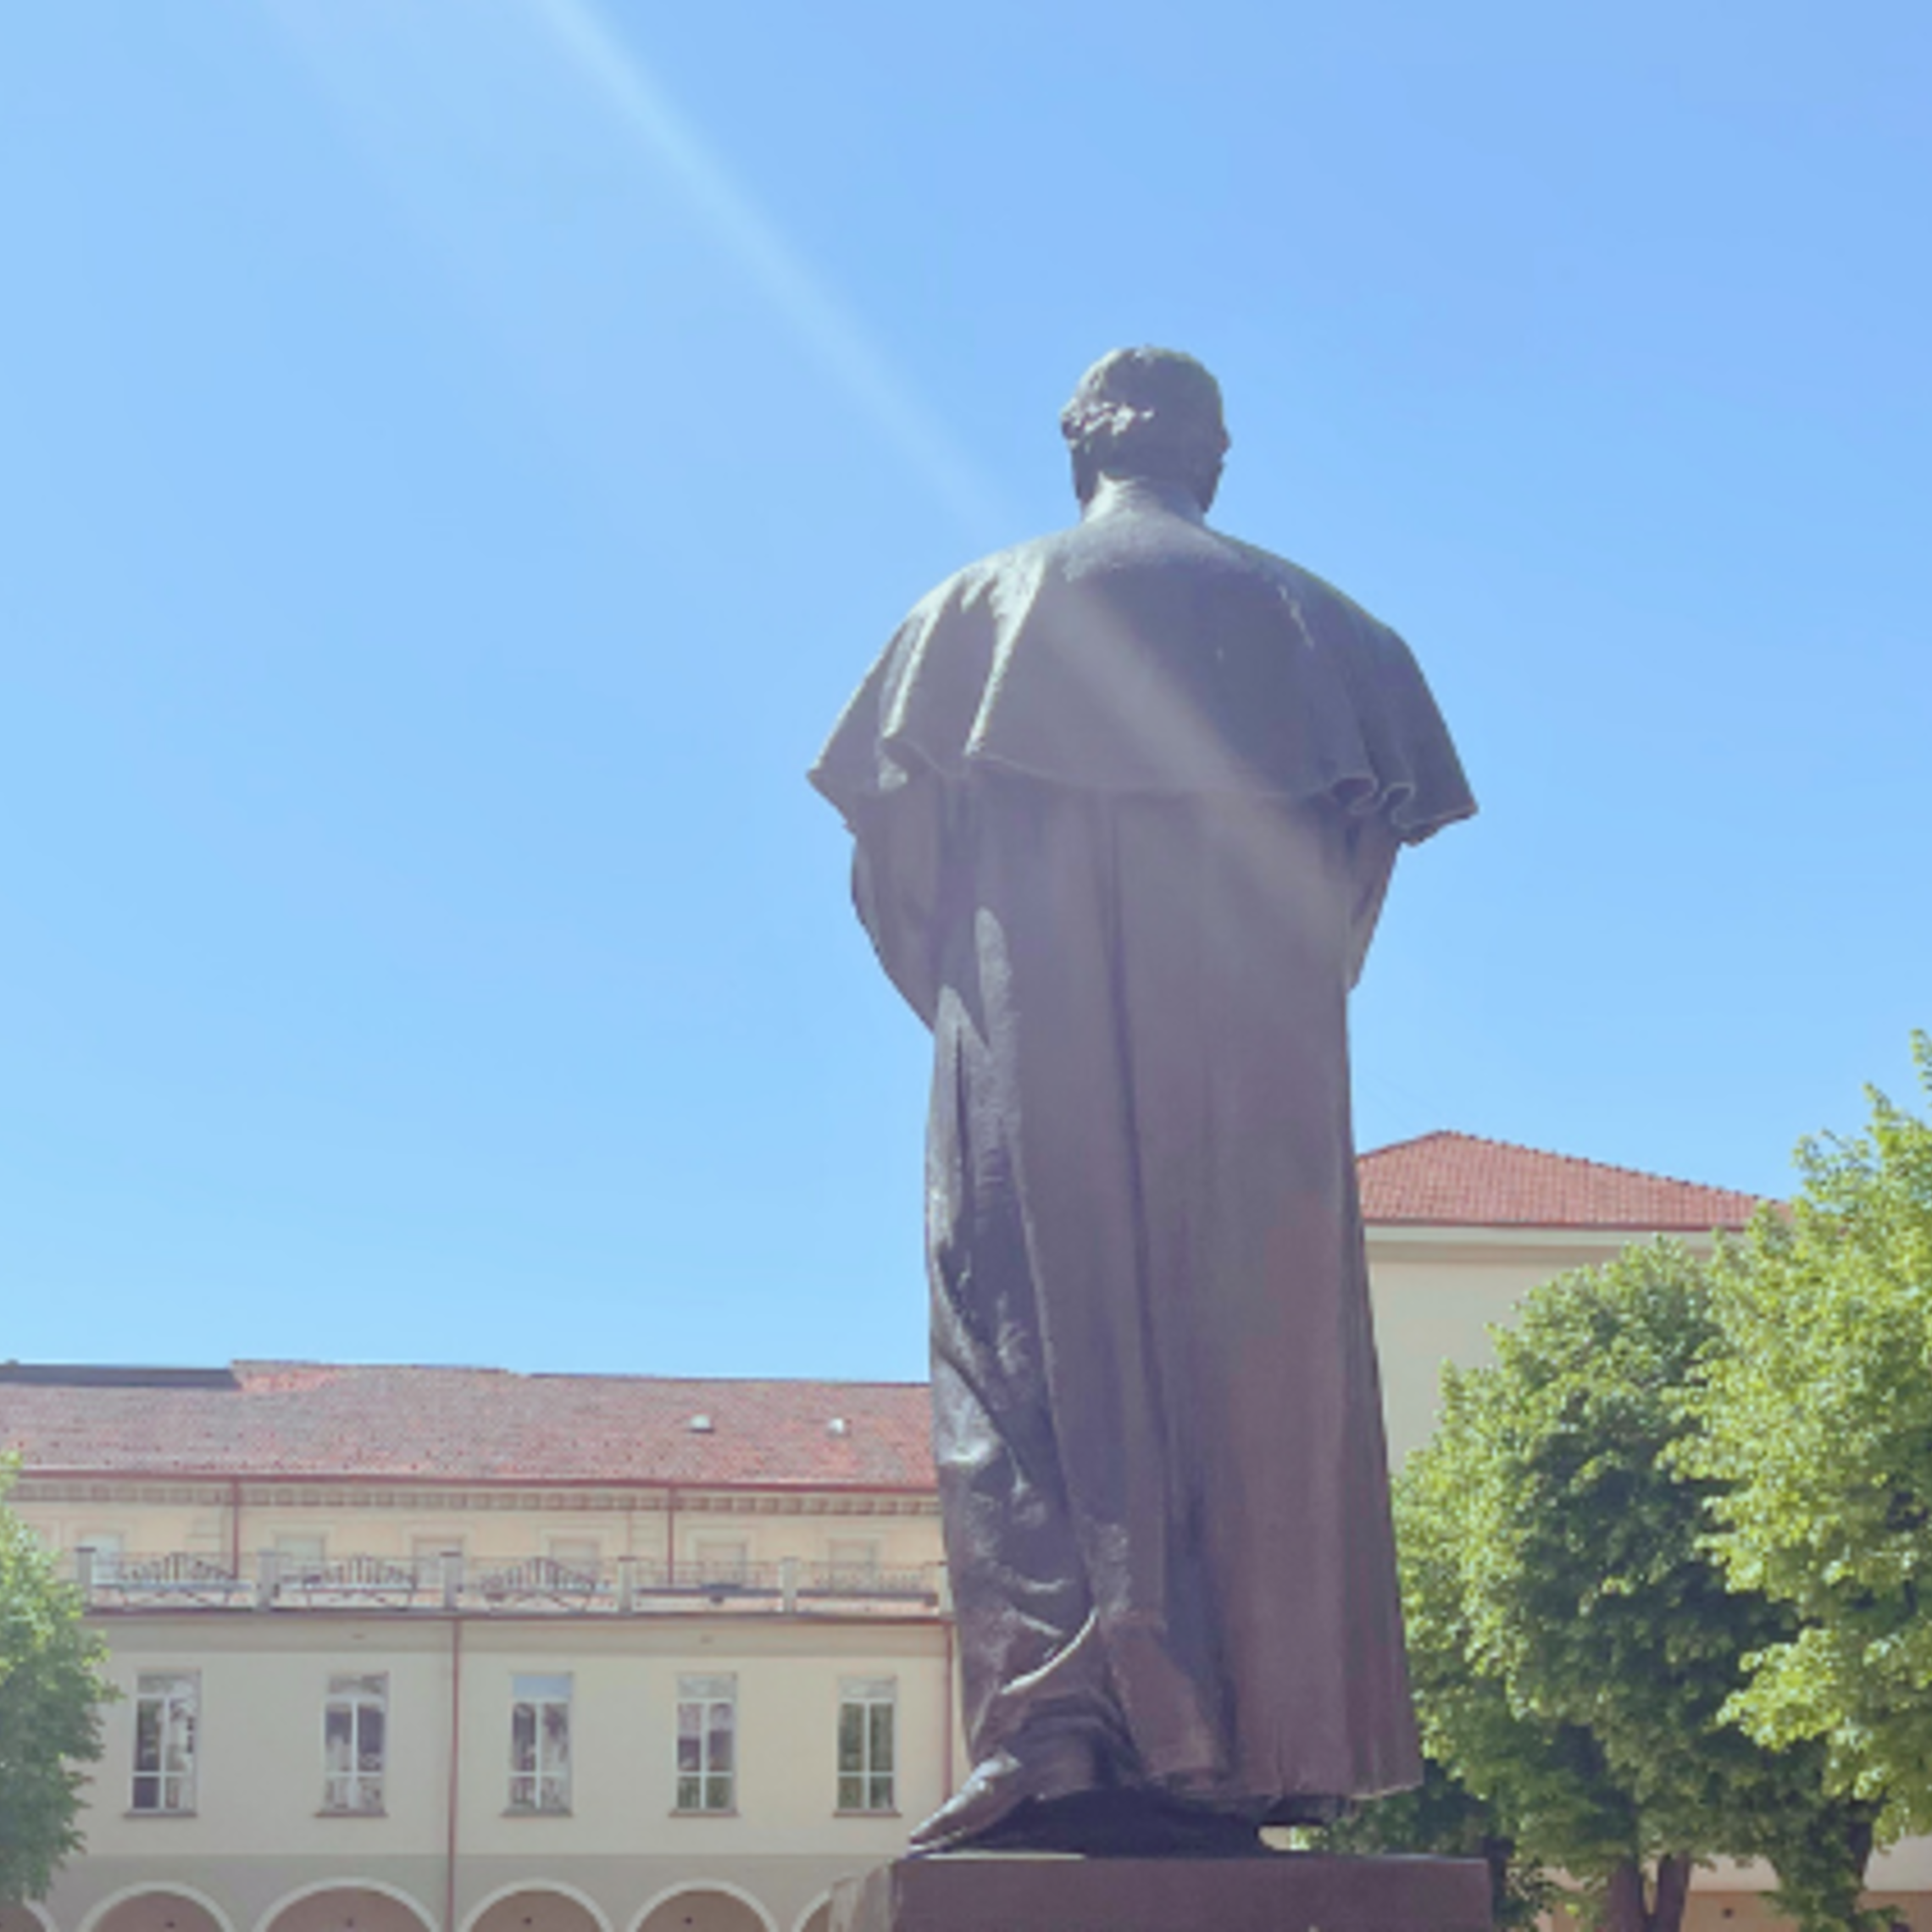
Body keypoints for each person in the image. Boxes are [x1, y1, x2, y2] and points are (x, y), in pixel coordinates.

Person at [810, 348, 1475, 1853]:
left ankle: (1056, 1730)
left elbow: (896, 885)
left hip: (1033, 1066)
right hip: (1264, 1090)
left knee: (1022, 1340)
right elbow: (1354, 897)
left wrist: (999, 1011)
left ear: (1078, 456)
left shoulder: (965, 622)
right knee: (1263, 1368)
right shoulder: (1339, 639)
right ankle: (1244, 1739)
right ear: (1216, 462)